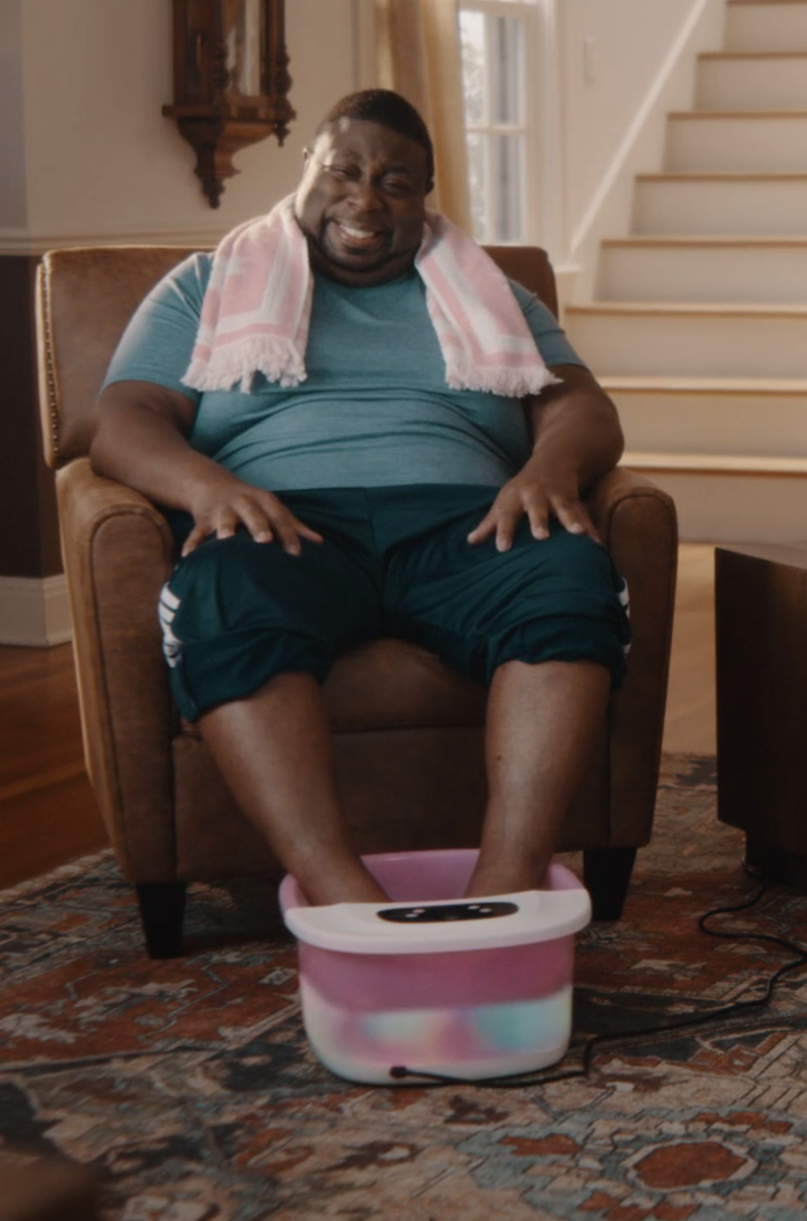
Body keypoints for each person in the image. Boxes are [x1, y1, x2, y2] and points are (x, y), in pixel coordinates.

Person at [92, 88, 628, 907]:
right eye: (343, 169)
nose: (365, 198)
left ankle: (509, 879)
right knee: (222, 597)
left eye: (396, 183)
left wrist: (547, 469)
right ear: (306, 168)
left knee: (569, 577)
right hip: (285, 519)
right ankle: (337, 892)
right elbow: (125, 420)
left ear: (424, 200)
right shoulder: (206, 284)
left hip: (466, 521)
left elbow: (579, 405)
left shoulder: (490, 294)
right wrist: (210, 486)